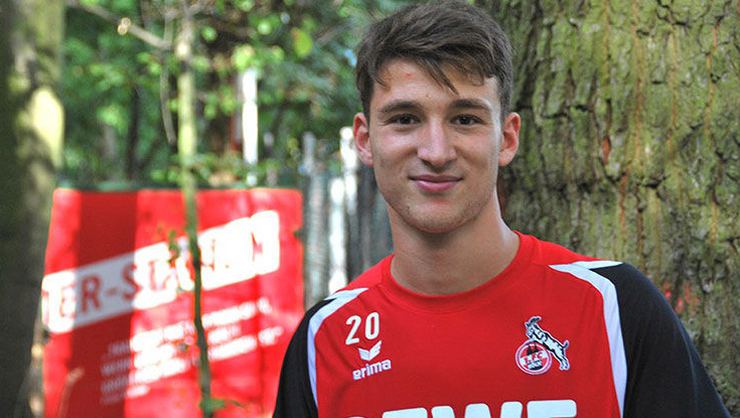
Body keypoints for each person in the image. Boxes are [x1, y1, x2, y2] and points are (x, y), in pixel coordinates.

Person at [273, 2, 730, 417]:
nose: (436, 151)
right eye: (405, 119)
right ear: (365, 139)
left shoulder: (614, 306)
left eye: (465, 119)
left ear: (507, 138)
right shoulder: (326, 340)